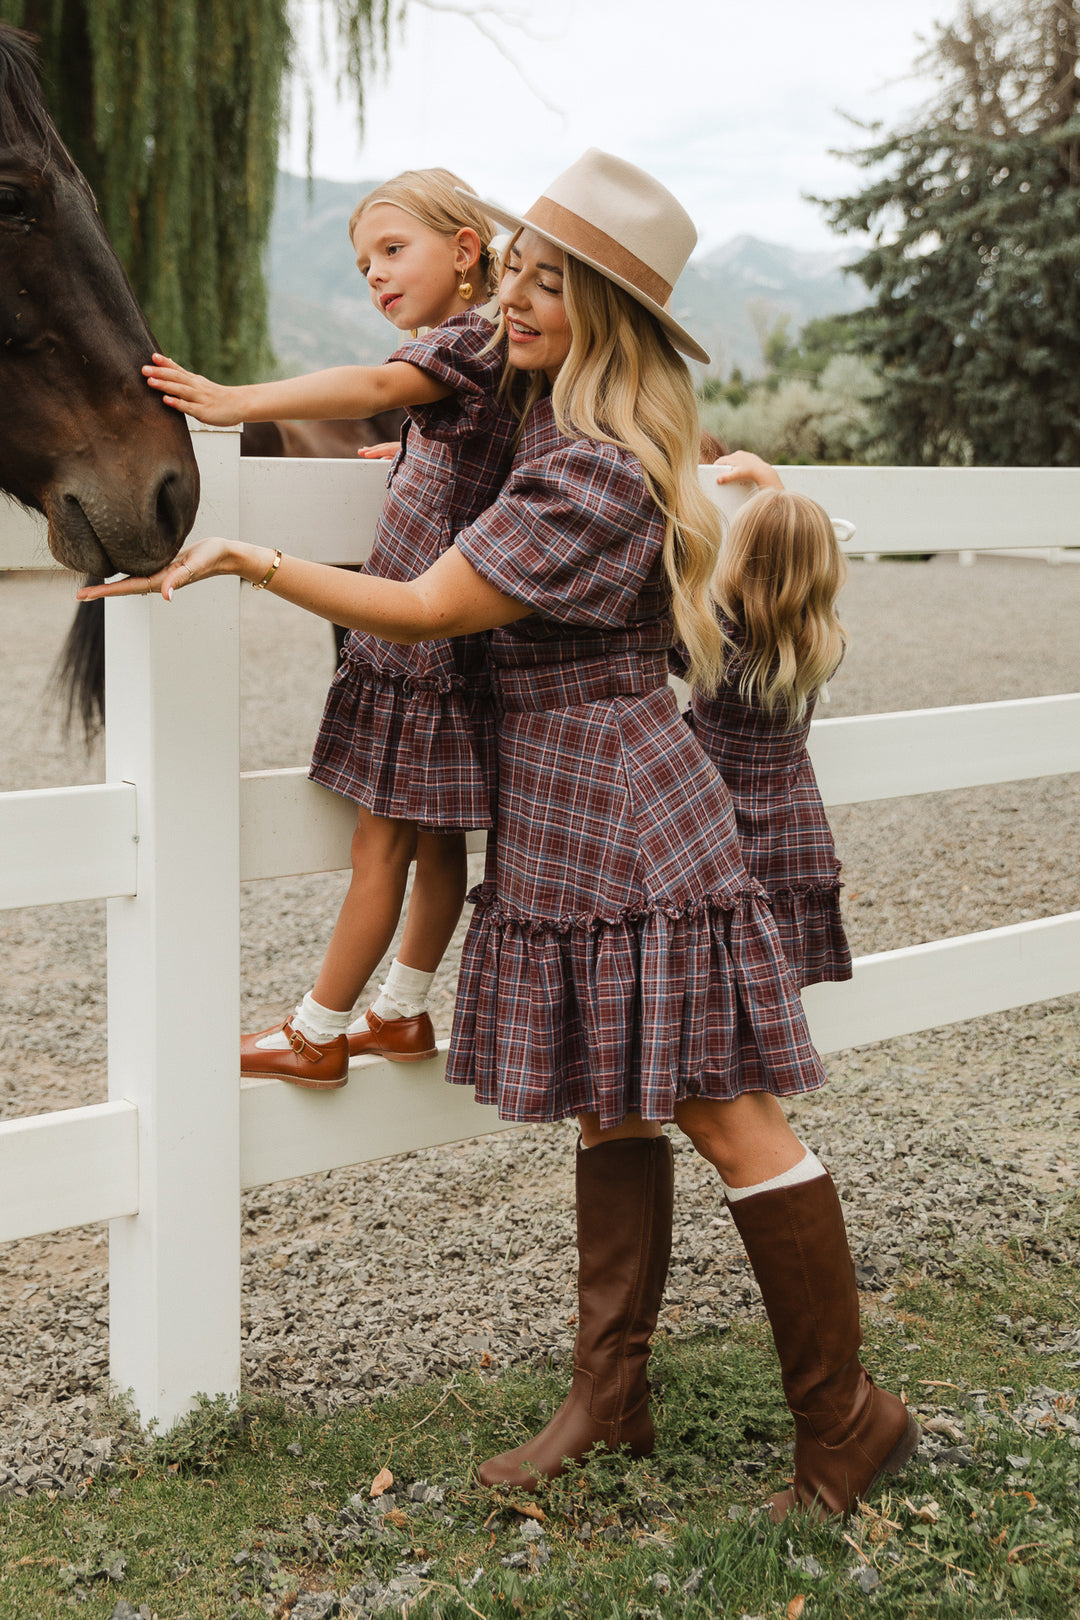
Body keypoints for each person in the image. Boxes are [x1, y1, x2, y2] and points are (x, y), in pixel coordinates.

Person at [83, 149, 918, 1522]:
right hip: (559, 797)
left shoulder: (592, 473)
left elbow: (423, 610)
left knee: (728, 1112)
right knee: (611, 1095)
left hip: (628, 806)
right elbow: (425, 379)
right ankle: (612, 1393)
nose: (513, 300)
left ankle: (849, 1415)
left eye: (546, 284)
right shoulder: (538, 401)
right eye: (515, 268)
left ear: (609, 316)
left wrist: (251, 560)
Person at [142, 170, 520, 1087]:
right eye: (363, 267)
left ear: (464, 251)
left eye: (394, 251)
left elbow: (371, 379)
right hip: (458, 658)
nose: (377, 278)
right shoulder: (503, 354)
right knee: (438, 848)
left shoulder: (463, 340)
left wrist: (237, 401)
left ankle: (318, 1031)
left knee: (378, 847)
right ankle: (401, 1012)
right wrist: (420, 447)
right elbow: (489, 449)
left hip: (412, 652)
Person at [689, 457, 854, 988]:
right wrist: (771, 485)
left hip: (715, 819)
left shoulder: (714, 639)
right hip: (789, 826)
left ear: (738, 557)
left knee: (715, 965)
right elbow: (790, 558)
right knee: (769, 971)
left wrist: (762, 491)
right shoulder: (825, 643)